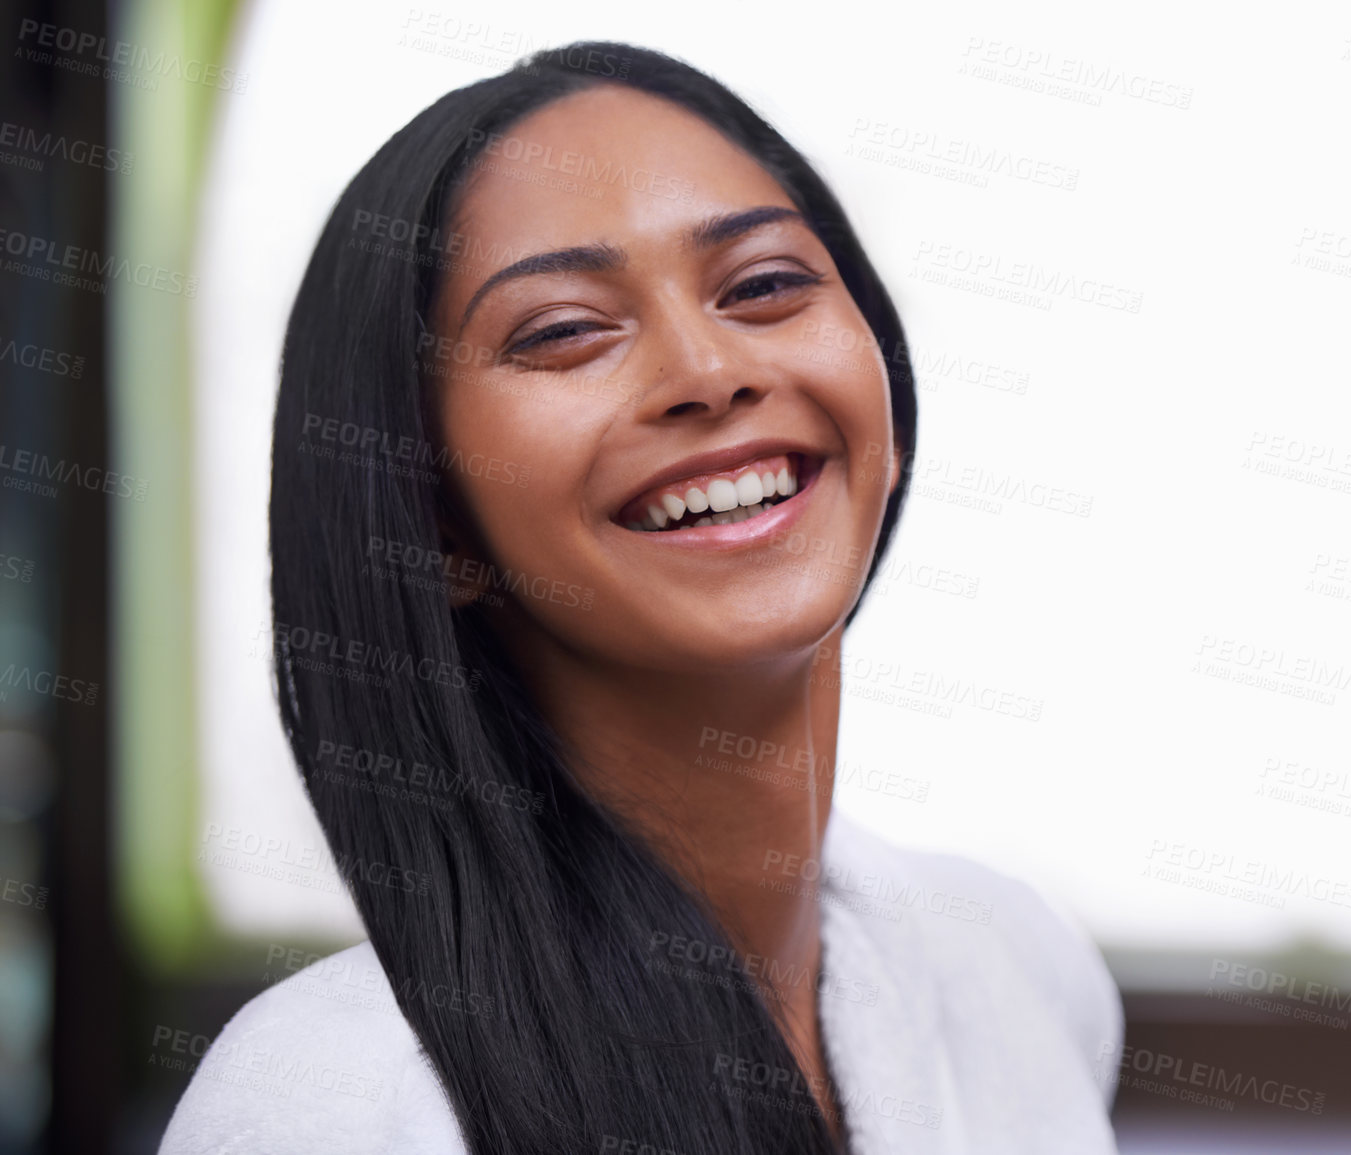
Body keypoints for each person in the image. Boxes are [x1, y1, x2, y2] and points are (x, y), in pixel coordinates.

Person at [159, 40, 1122, 1155]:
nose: (711, 372)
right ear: (435, 522)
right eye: (565, 331)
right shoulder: (327, 1106)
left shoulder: (1014, 974)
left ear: (888, 406)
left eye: (764, 285)